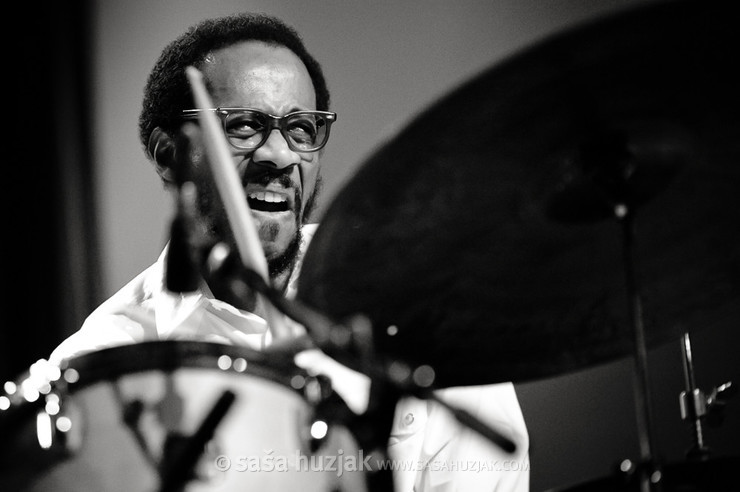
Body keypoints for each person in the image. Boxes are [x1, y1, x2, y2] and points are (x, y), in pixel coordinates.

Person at [44, 12, 529, 492]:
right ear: (169, 156)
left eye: (300, 129)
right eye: (244, 126)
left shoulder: (414, 299)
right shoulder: (96, 380)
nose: (279, 156)